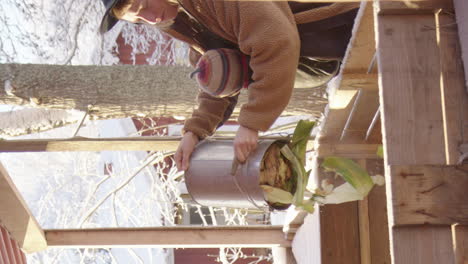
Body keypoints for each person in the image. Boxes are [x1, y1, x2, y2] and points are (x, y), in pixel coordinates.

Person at [99, 0, 358, 171]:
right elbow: (216, 73)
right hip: (334, 56)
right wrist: (195, 131)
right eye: (140, 19)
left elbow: (275, 38)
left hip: (348, 23)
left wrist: (252, 122)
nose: (152, 19)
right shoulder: (187, 21)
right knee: (218, 68)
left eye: (145, 4)